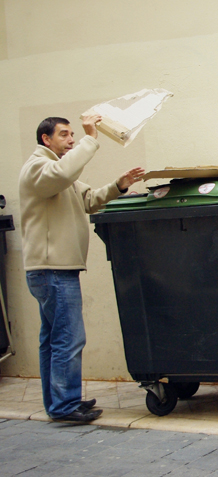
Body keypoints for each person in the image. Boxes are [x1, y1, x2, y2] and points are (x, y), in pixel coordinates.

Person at [19, 115, 145, 422]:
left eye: (73, 134)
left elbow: (90, 199)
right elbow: (63, 173)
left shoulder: (60, 174)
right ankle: (65, 405)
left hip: (55, 270)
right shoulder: (39, 168)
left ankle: (60, 401)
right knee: (68, 338)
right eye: (64, 135)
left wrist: (119, 185)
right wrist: (92, 137)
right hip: (52, 270)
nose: (72, 139)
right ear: (46, 139)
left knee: (53, 340)